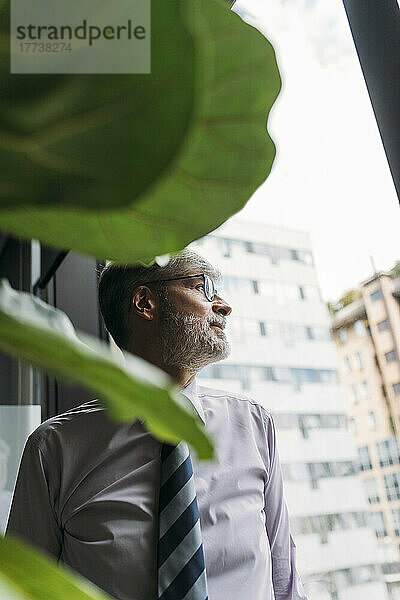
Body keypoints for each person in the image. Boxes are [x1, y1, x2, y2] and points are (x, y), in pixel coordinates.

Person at [6, 249, 307, 600]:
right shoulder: (53, 449)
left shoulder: (254, 425)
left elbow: (284, 582)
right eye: (204, 287)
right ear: (145, 302)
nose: (223, 305)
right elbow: (21, 591)